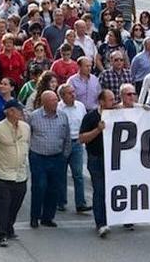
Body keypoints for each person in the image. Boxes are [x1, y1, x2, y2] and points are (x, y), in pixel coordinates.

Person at [0, 98, 30, 247]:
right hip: (2, 174)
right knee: (3, 205)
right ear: (10, 112)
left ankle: (9, 227)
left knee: (16, 203)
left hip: (20, 174)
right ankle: (1, 234)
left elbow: (26, 145)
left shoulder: (25, 128)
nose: (21, 113)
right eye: (18, 110)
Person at [26, 90, 71, 229]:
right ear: (44, 102)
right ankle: (35, 217)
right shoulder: (34, 117)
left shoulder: (63, 116)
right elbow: (27, 135)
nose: (55, 102)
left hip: (57, 157)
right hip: (39, 157)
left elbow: (67, 137)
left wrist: (65, 155)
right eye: (52, 100)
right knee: (39, 187)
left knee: (53, 189)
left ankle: (47, 217)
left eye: (56, 100)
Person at [79, 89, 115, 238]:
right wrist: (98, 130)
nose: (113, 102)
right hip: (96, 159)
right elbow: (82, 138)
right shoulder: (91, 117)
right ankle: (101, 223)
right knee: (99, 191)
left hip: (113, 161)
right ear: (101, 101)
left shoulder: (116, 114)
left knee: (112, 191)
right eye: (111, 100)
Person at [58, 84, 90, 214]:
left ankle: (80, 203)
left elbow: (84, 123)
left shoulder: (80, 106)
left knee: (78, 175)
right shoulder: (59, 108)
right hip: (62, 143)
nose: (73, 94)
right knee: (61, 174)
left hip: (77, 142)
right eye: (69, 93)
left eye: (73, 92)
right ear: (62, 96)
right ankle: (61, 201)